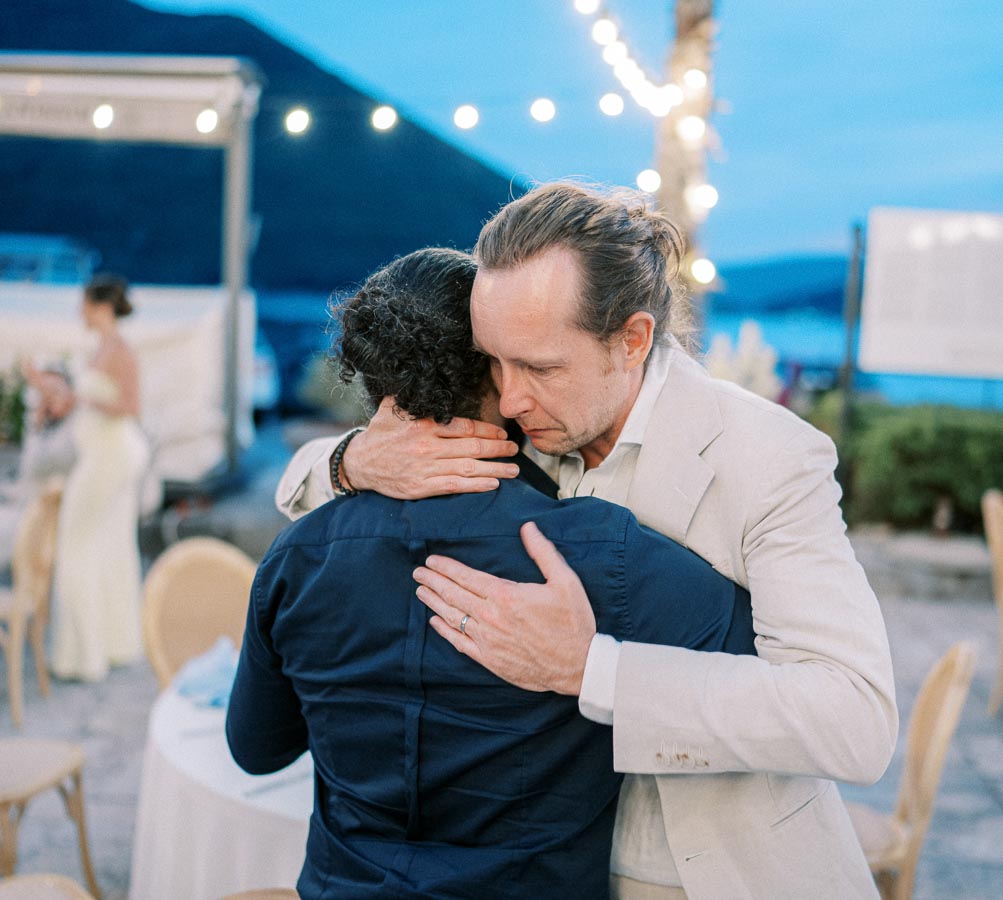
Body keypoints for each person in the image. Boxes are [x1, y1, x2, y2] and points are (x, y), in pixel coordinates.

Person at [276, 184, 897, 898]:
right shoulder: (514, 422)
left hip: (716, 872)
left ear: (631, 340)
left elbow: (854, 718)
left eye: (540, 368)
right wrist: (350, 462)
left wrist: (592, 670)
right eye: (494, 364)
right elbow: (311, 498)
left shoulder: (767, 456)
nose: (507, 400)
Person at [230, 247, 757, 898]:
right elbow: (758, 657)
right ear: (500, 370)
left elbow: (256, 750)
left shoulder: (297, 557)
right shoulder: (594, 552)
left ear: (377, 383)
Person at [51, 274, 149, 682]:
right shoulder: (103, 347)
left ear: (100, 306)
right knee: (107, 542)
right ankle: (108, 646)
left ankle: (82, 655)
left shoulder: (120, 350)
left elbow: (130, 405)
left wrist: (80, 399)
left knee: (76, 541)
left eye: (85, 304)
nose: (80, 312)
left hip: (111, 456)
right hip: (102, 452)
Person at [0, 367, 79, 584]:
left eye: (54, 391)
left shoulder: (74, 432)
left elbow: (39, 466)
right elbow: (20, 477)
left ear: (72, 395)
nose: (47, 398)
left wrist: (35, 424)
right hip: (4, 508)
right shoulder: (45, 427)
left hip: (30, 523)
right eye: (42, 392)